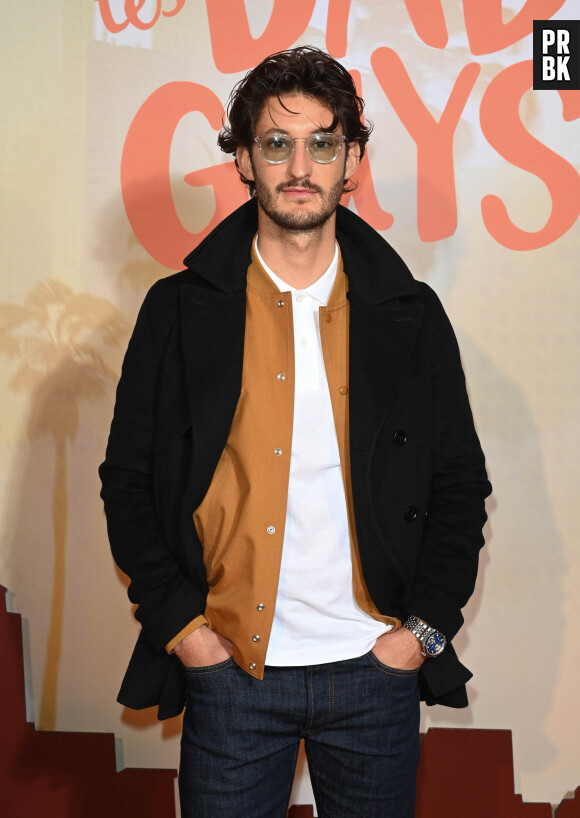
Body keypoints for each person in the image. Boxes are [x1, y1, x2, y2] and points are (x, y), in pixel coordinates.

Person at [99, 45, 491, 818]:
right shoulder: (178, 313)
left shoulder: (409, 317)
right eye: (277, 143)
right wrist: (184, 631)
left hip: (375, 670)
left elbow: (459, 488)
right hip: (231, 672)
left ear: (353, 160)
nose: (300, 165)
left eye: (323, 142)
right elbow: (129, 483)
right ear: (244, 159)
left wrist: (420, 636)